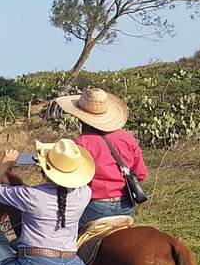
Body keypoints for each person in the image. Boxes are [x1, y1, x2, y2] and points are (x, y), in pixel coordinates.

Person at [55, 87, 148, 229]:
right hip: (126, 206)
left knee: (65, 234)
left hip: (94, 206)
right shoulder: (127, 138)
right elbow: (141, 174)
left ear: (80, 116)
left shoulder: (81, 143)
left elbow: (72, 181)